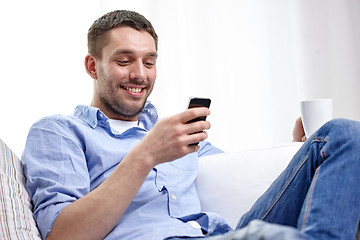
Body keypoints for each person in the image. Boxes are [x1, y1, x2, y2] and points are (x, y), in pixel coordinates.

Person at [22, 10, 360, 240]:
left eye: (149, 61)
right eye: (124, 61)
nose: (140, 74)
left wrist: (298, 155)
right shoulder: (59, 131)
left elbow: (259, 188)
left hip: (223, 234)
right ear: (92, 67)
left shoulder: (175, 134)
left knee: (342, 135)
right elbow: (62, 233)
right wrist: (145, 156)